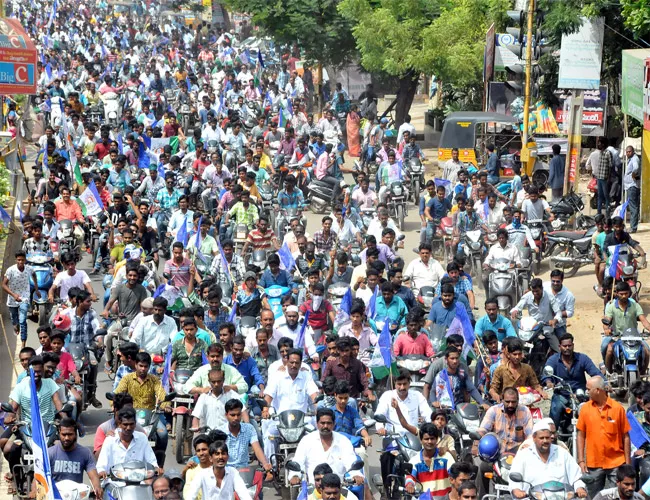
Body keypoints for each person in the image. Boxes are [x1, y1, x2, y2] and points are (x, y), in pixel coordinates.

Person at [577, 375, 631, 497]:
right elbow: (580, 435)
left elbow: (625, 436)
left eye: (588, 389)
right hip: (593, 463)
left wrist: (627, 463)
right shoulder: (585, 409)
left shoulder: (618, 409)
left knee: (616, 496)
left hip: (616, 463)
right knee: (593, 496)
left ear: (598, 390)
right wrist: (581, 460)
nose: (587, 392)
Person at [476, 386, 533, 498]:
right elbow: (483, 429)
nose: (510, 405)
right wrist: (478, 437)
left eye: (513, 402)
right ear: (502, 399)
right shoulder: (493, 410)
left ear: (518, 401)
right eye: (507, 402)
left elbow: (530, 436)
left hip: (517, 456)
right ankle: (481, 497)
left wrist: (525, 449)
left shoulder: (525, 412)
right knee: (482, 467)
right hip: (497, 455)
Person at [114, 353, 170, 464]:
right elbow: (117, 394)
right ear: (135, 365)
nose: (143, 369)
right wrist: (114, 404)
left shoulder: (154, 380)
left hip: (152, 416)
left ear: (149, 367)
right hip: (130, 416)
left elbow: (162, 394)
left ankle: (159, 461)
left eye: (145, 366)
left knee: (163, 434)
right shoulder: (127, 379)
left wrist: (165, 404)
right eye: (140, 366)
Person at [509, 420, 586, 499]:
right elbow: (514, 478)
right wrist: (517, 490)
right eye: (541, 438)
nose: (545, 441)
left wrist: (579, 488)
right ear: (534, 438)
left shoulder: (562, 453)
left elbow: (576, 476)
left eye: (547, 438)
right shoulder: (523, 455)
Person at [289, 408, 364, 485]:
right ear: (317, 424)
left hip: (338, 490)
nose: (325, 426)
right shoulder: (306, 440)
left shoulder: (343, 441)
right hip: (312, 490)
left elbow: (350, 461)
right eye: (322, 423)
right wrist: (295, 475)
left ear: (334, 424)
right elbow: (298, 461)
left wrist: (356, 475)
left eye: (329, 423)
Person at [543, 333, 602, 429]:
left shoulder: (582, 358)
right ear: (559, 346)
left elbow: (595, 372)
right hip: (561, 394)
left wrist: (604, 383)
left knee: (594, 411)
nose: (567, 348)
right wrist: (549, 382)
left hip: (580, 395)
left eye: (569, 345)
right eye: (564, 346)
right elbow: (546, 375)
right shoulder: (553, 360)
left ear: (573, 345)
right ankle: (552, 434)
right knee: (555, 408)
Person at [602, 281, 650, 374]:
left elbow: (644, 320)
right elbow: (607, 320)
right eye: (621, 294)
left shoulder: (635, 305)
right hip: (617, 337)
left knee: (647, 351)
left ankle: (643, 372)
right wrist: (606, 329)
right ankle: (609, 372)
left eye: (626, 293)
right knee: (607, 349)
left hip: (634, 337)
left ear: (629, 293)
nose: (624, 296)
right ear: (616, 293)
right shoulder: (611, 307)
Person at [96, 407, 161, 476]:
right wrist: (101, 472)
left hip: (139, 481)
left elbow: (151, 460)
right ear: (119, 424)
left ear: (135, 424)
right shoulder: (110, 440)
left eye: (131, 424)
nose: (128, 428)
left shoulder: (142, 438)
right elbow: (101, 465)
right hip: (115, 483)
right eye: (125, 424)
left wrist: (156, 468)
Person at [49, 418, 103, 498]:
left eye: (70, 434)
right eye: (64, 434)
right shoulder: (50, 453)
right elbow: (39, 476)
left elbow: (93, 475)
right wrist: (34, 490)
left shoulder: (85, 453)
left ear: (75, 434)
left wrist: (97, 487)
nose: (66, 438)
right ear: (59, 434)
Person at [186, 441, 252, 500]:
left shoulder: (233, 472)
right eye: (217, 454)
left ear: (228, 457)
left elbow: (243, 493)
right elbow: (191, 495)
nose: (220, 457)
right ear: (211, 458)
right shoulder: (202, 474)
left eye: (223, 453)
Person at [510, 278, 562, 351]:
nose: (535, 293)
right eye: (533, 291)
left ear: (542, 288)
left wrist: (555, 320)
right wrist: (515, 311)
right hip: (532, 330)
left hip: (546, 328)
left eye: (537, 291)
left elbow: (558, 312)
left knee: (559, 350)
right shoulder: (527, 296)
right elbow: (517, 307)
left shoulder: (550, 296)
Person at [405, 423, 455, 497]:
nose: (429, 442)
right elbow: (410, 477)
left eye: (432, 438)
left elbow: (454, 473)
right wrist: (409, 485)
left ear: (437, 439)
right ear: (421, 440)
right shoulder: (415, 460)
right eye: (426, 439)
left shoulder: (446, 457)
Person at [3, 252, 39, 347]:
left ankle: (23, 342)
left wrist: (36, 289)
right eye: (19, 260)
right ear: (16, 260)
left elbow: (34, 275)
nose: (20, 262)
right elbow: (3, 284)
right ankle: (15, 325)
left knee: (23, 320)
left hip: (24, 296)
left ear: (25, 260)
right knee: (15, 321)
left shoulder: (29, 269)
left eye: (22, 260)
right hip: (12, 297)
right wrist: (13, 295)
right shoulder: (10, 270)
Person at [191, 369, 243, 433]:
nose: (216, 384)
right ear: (209, 381)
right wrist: (195, 426)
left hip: (228, 434)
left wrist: (247, 426)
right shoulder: (204, 396)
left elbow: (243, 411)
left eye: (219, 381)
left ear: (223, 380)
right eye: (213, 382)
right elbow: (196, 414)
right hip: (209, 434)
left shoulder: (231, 394)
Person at [592, 137, 612, 215]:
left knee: (606, 196)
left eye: (599, 143)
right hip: (599, 178)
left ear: (603, 144)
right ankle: (599, 212)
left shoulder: (608, 153)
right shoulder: (600, 153)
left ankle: (607, 211)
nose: (598, 144)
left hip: (605, 178)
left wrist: (608, 178)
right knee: (599, 196)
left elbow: (610, 166)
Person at [623, 145, 641, 233]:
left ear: (633, 151)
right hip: (630, 185)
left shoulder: (635, 159)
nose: (628, 153)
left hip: (632, 186)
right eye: (626, 152)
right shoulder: (631, 159)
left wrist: (634, 174)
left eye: (629, 151)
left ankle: (633, 227)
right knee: (633, 206)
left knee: (633, 207)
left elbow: (636, 167)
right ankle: (633, 226)